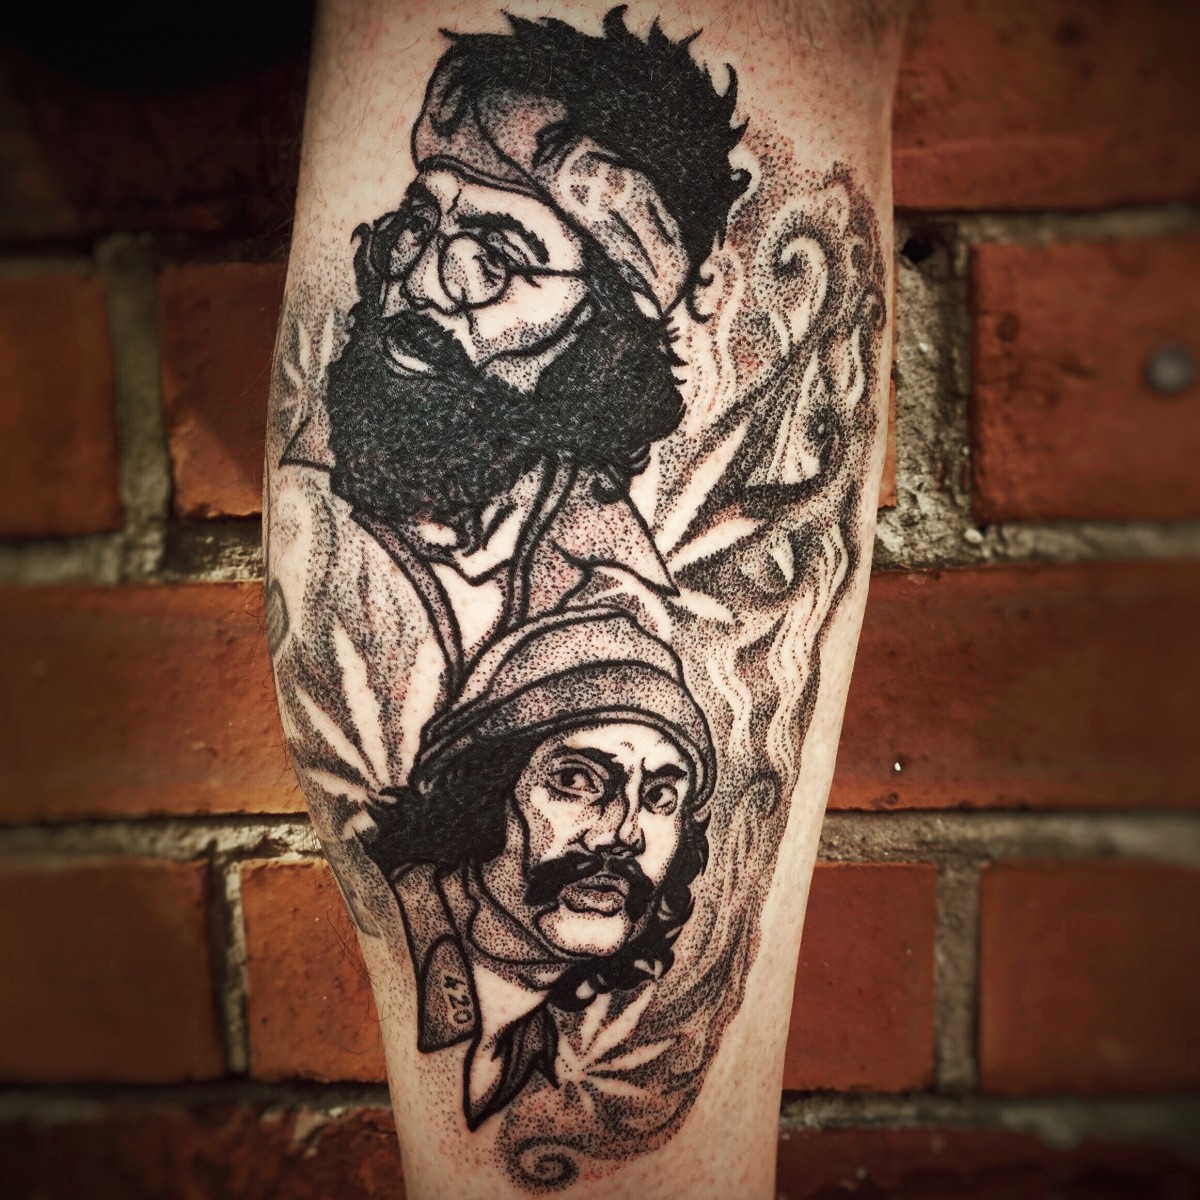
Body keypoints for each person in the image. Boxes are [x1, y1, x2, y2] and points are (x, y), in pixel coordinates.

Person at [267, 1, 903, 1193]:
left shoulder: (609, 590)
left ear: (597, 334)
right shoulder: (346, 498)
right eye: (420, 226)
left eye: (500, 258)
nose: (422, 285)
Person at [362, 605, 715, 1129]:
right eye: (576, 780)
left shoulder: (533, 1035)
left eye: (660, 796)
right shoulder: (399, 927)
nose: (623, 834)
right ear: (482, 796)